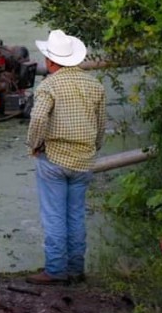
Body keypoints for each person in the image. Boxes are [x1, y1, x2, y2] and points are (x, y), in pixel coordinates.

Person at [25, 30, 106, 285]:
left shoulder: (48, 85)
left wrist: (35, 144)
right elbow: (101, 125)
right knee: (76, 215)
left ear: (50, 62)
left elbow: (38, 118)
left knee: (54, 216)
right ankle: (75, 268)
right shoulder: (95, 86)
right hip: (84, 160)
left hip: (55, 158)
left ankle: (56, 270)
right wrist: (94, 148)